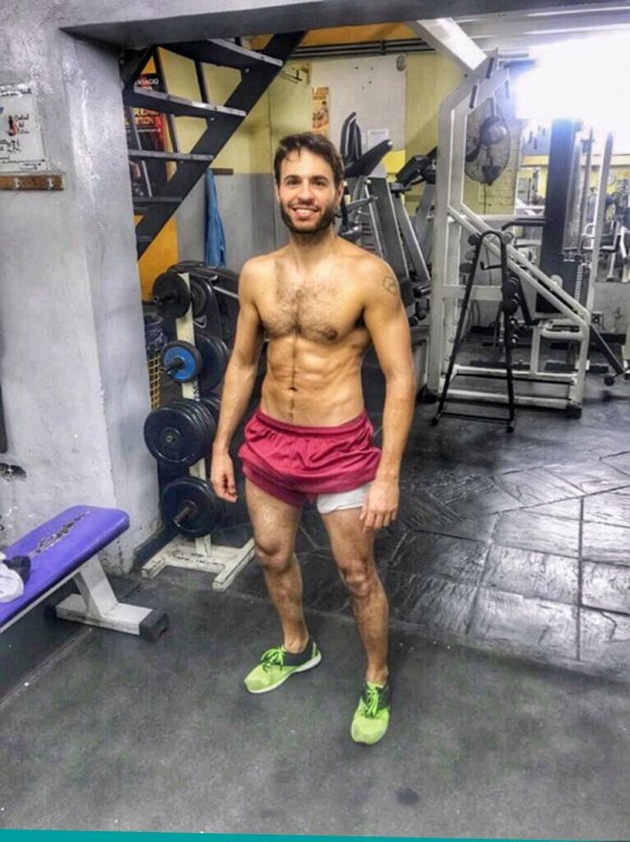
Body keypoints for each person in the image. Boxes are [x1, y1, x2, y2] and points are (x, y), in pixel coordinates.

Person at [210, 131, 416, 745]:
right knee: (272, 554)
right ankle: (297, 646)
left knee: (356, 573)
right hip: (269, 439)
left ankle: (377, 677)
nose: (305, 194)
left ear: (338, 192)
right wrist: (220, 445)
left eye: (318, 182)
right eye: (293, 181)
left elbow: (401, 378)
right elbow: (243, 363)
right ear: (278, 190)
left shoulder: (369, 276)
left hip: (340, 447)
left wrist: (387, 475)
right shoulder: (257, 274)